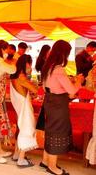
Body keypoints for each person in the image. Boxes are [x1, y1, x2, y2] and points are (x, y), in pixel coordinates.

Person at [40, 40, 83, 175]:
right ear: (63, 53)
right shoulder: (58, 69)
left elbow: (46, 86)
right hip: (58, 104)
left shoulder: (48, 66)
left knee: (50, 131)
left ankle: (45, 161)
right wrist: (78, 81)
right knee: (57, 132)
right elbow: (71, 91)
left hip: (49, 100)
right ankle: (52, 167)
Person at [10, 55, 38, 168]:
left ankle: (17, 155)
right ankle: (21, 159)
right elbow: (35, 90)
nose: (30, 66)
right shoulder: (22, 77)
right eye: (29, 64)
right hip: (24, 108)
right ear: (25, 64)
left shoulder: (14, 77)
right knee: (26, 131)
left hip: (20, 108)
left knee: (21, 130)